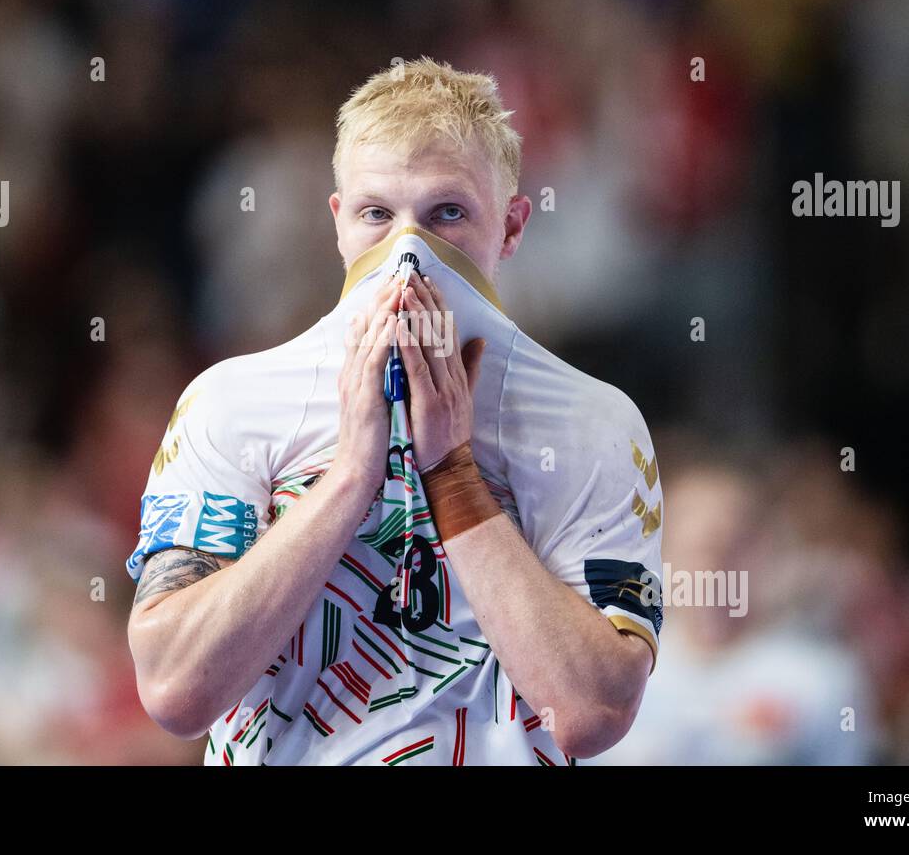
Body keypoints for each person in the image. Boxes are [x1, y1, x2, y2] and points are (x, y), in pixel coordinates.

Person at [126, 58, 663, 764]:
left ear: (511, 227)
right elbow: (175, 689)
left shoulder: (593, 421)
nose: (409, 253)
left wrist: (453, 476)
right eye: (378, 213)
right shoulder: (232, 402)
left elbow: (591, 711)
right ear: (339, 224)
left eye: (448, 213)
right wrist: (350, 476)